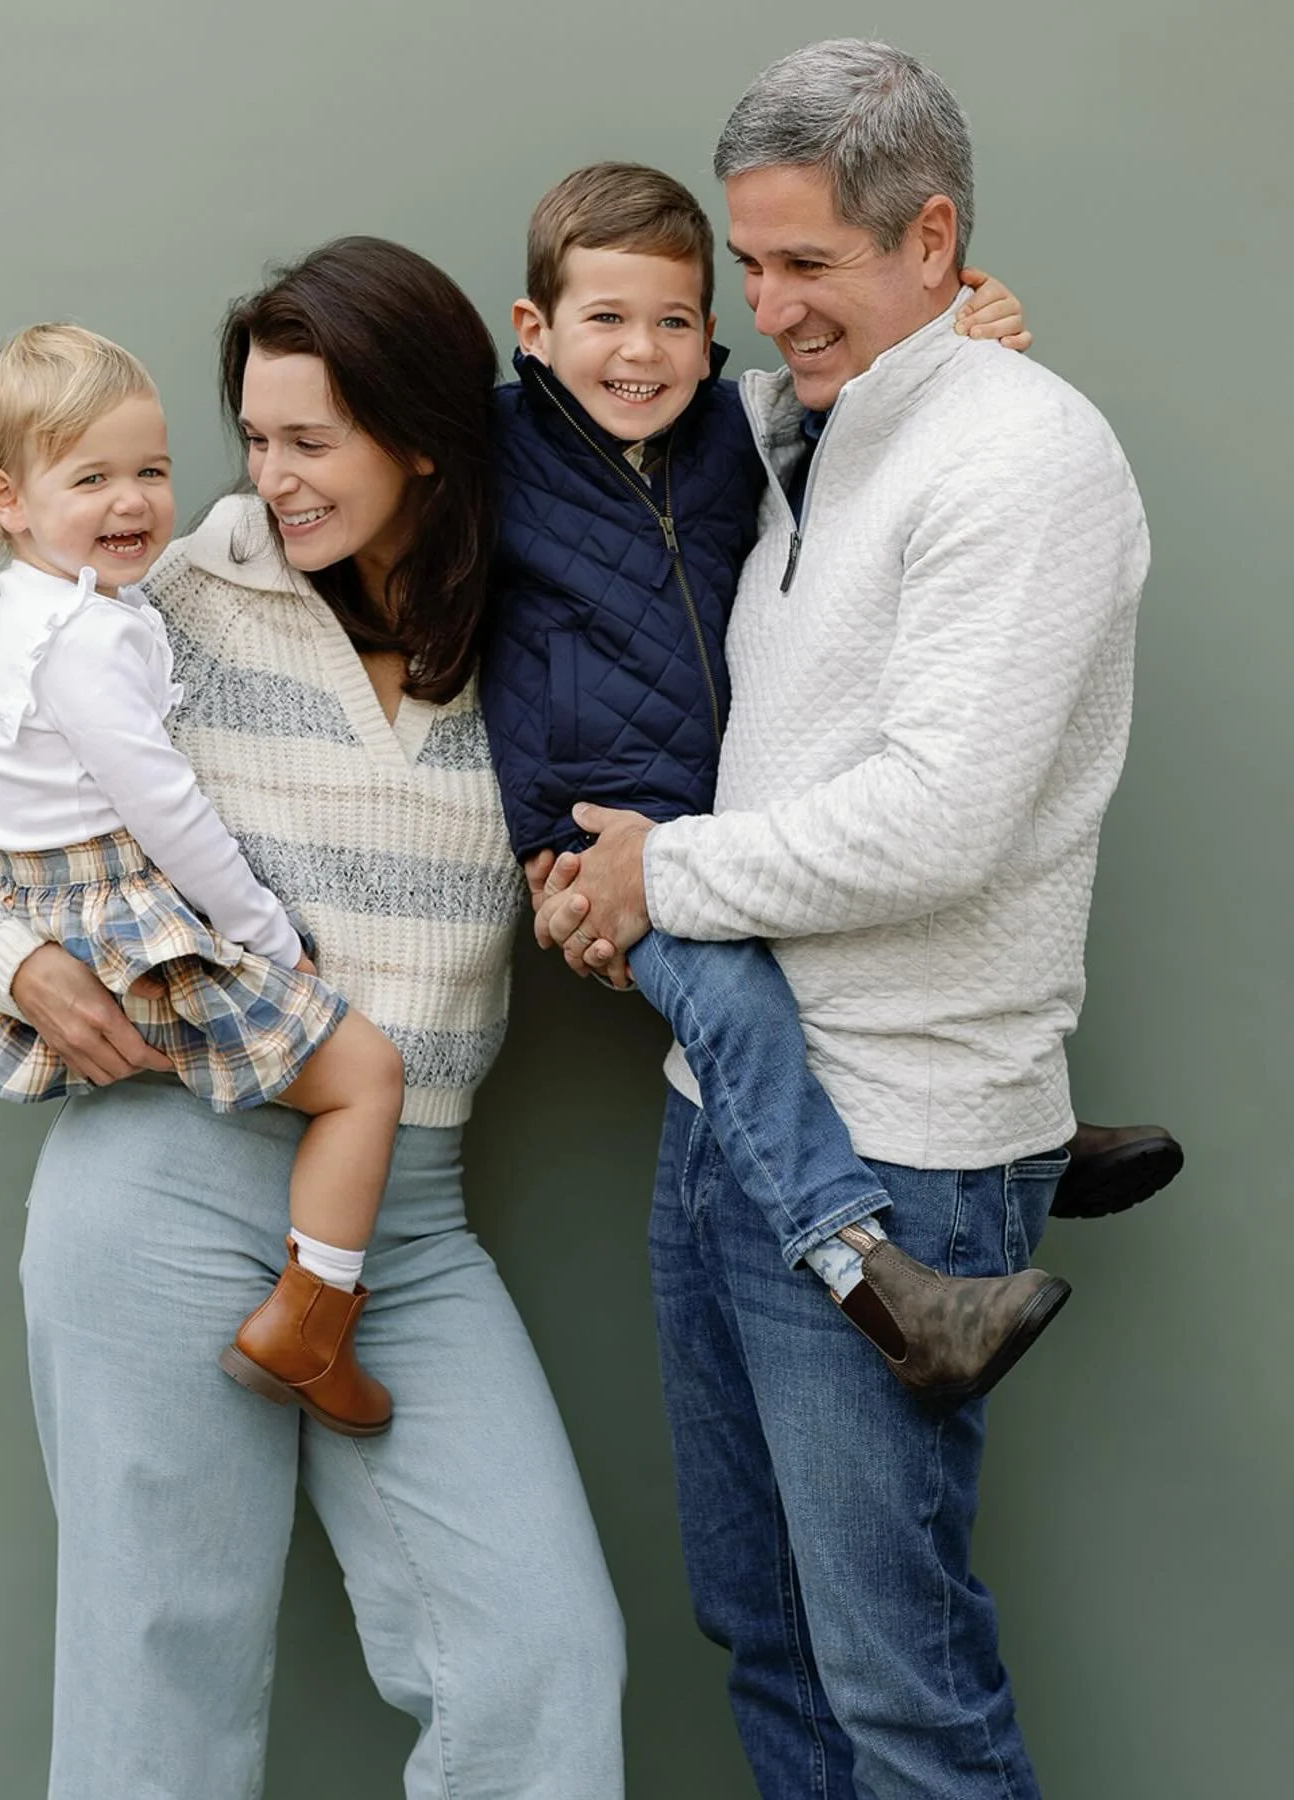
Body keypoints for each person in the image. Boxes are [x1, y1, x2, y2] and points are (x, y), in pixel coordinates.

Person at [536, 40, 1150, 1797]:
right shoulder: (810, 429)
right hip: (724, 1122)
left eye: (811, 265)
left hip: (901, 1149)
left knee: (899, 1683)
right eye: (752, 263)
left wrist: (661, 874)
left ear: (934, 237)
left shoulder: (1024, 459)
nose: (768, 307)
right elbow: (564, 434)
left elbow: (945, 821)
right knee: (771, 1637)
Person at [0, 239, 625, 1800]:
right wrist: (9, 958)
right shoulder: (174, 592)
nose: (271, 477)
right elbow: (9, 814)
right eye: (253, 437)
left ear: (422, 436)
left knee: (540, 1660)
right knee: (160, 1680)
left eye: (310, 441)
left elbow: (698, 452)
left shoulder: (534, 638)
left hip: (410, 1221)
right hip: (168, 1175)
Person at [483, 162, 1162, 1404]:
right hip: (593, 825)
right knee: (738, 1011)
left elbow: (887, 383)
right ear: (533, 331)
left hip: (708, 821)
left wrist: (970, 315)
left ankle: (1028, 1143)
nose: (641, 354)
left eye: (676, 321)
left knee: (767, 997)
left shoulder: (734, 429)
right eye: (604, 322)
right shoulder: (497, 451)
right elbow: (352, 486)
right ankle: (868, 1272)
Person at [0, 323, 403, 1434]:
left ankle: (306, 1306)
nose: (134, 503)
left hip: (69, 895)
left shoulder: (45, 617)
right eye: (93, 478)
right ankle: (312, 1319)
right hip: (120, 904)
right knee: (367, 1074)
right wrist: (263, 929)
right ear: (6, 499)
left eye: (152, 471)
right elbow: (162, 808)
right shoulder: (86, 638)